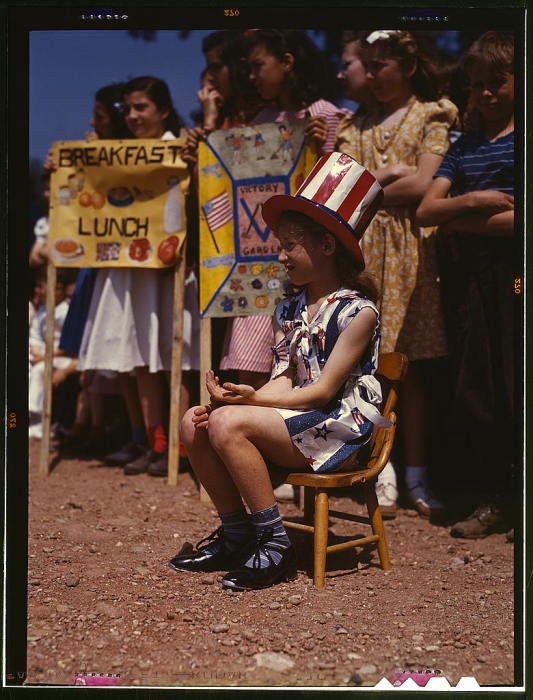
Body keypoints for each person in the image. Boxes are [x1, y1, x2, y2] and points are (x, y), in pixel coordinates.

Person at [168, 152, 385, 591]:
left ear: (326, 247)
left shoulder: (358, 312)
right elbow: (286, 376)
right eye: (280, 244)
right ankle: (236, 534)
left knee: (229, 422)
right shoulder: (291, 306)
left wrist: (249, 403)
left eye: (290, 244)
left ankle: (274, 543)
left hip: (339, 427)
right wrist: (236, 397)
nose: (280, 255)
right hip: (299, 418)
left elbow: (322, 391)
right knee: (196, 422)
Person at [335, 30, 458, 520]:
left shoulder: (431, 113)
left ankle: (416, 474)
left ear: (407, 66)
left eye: (383, 64)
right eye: (370, 64)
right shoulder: (355, 124)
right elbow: (343, 188)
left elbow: (426, 182)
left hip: (410, 251)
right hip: (363, 250)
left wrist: (369, 184)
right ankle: (373, 468)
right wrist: (387, 176)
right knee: (359, 363)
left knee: (412, 365)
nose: (375, 74)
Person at [416, 32, 515, 538]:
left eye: (496, 82)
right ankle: (493, 497)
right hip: (469, 277)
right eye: (476, 85)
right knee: (478, 384)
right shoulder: (466, 146)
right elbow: (427, 209)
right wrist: (475, 204)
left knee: (519, 380)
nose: (485, 94)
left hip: (514, 273)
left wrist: (458, 220)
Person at [78, 76, 196, 477]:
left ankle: (179, 448)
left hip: (168, 267)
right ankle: (153, 441)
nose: (132, 116)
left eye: (141, 108)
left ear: (163, 110)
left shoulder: (180, 148)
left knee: (172, 357)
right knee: (145, 358)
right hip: (134, 265)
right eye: (127, 109)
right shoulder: (122, 152)